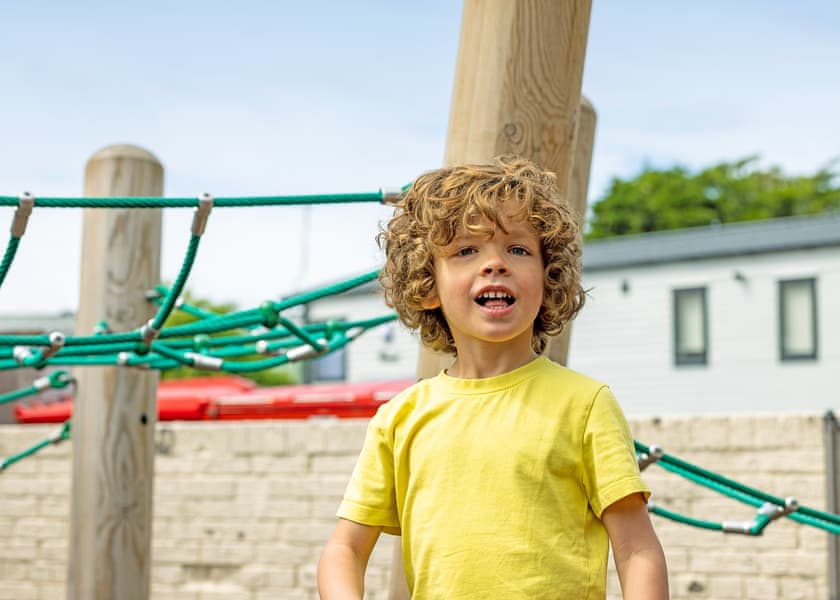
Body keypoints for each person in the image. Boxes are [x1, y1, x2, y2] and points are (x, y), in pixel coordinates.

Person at [318, 155, 669, 599]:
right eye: (466, 250)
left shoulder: (584, 404)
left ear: (548, 278)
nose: (494, 264)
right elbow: (344, 550)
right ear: (427, 285)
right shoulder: (400, 418)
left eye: (518, 249)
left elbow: (637, 549)